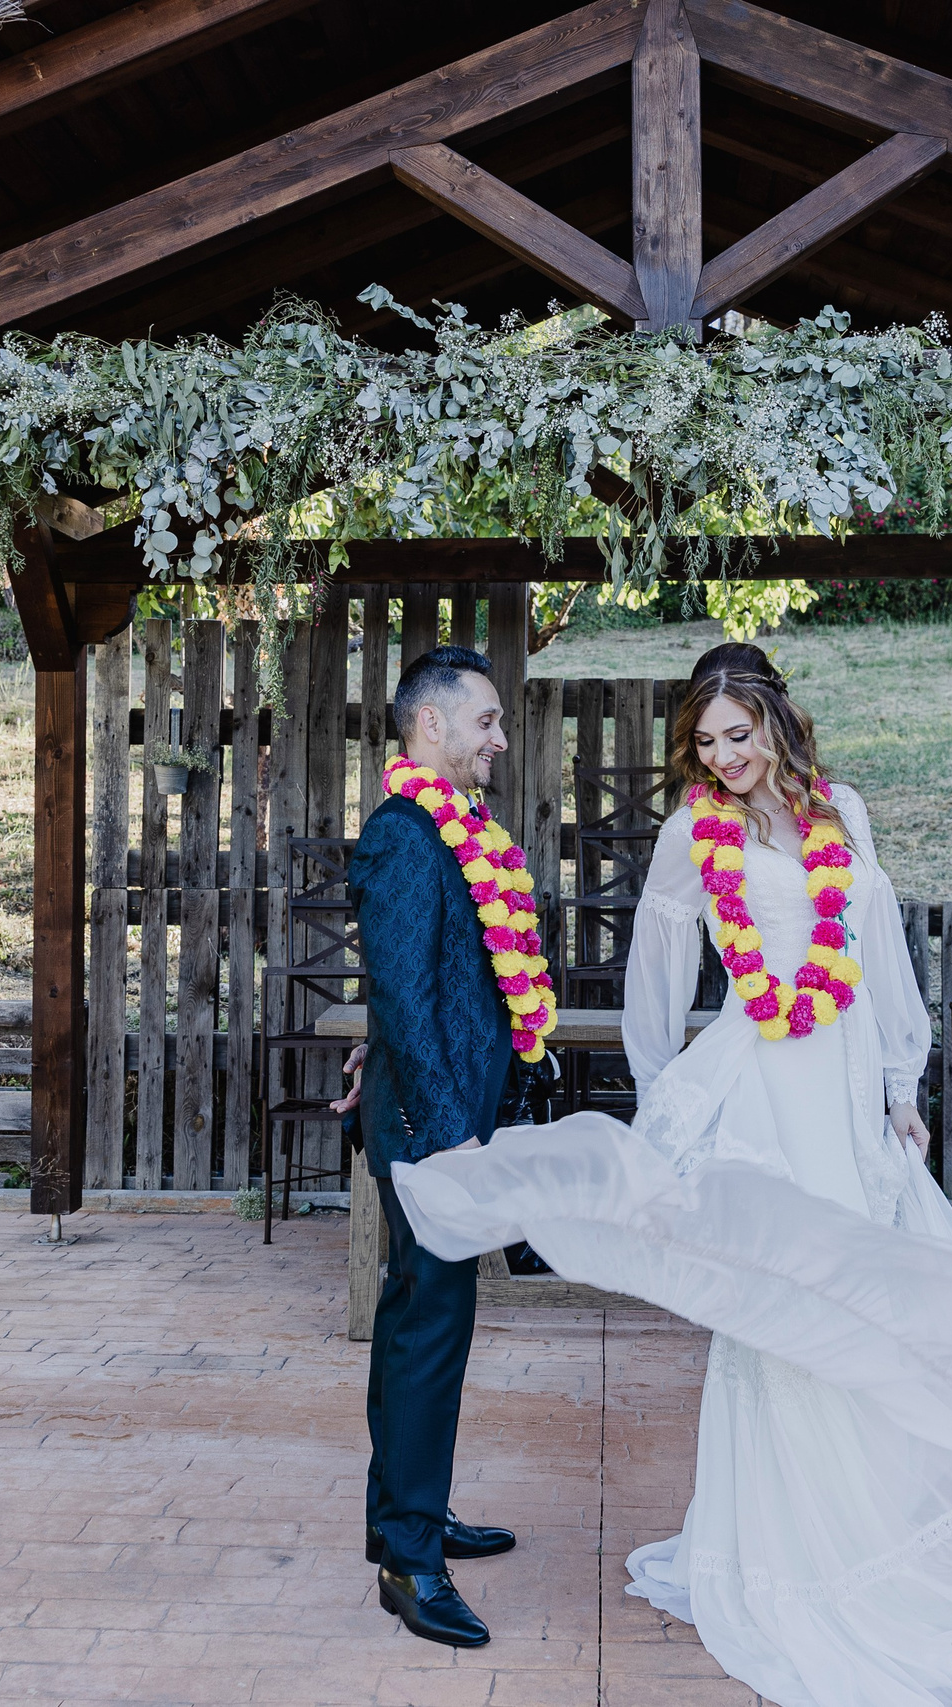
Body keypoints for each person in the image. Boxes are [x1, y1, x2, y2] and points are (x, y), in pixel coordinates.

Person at [387, 642, 952, 1707]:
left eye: (739, 734)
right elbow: (658, 969)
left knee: (882, 1297)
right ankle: (794, 1558)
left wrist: (900, 1087)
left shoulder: (842, 815)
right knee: (784, 1309)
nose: (724, 757)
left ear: (776, 721)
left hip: (843, 1080)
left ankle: (881, 1526)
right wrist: (664, 1092)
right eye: (706, 742)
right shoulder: (694, 835)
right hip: (761, 1085)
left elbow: (875, 958)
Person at [342, 641, 551, 1649]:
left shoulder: (455, 830)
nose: (498, 740)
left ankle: (412, 1513)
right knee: (427, 1334)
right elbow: (401, 997)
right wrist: (445, 1134)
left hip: (448, 1119)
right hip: (433, 1131)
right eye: (487, 721)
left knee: (427, 1327)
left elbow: (434, 988)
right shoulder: (402, 835)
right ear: (431, 725)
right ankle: (407, 1562)